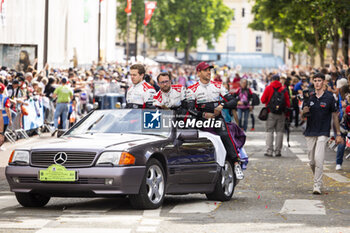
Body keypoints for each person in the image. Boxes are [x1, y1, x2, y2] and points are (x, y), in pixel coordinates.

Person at [186, 61, 244, 180]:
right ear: (199, 72)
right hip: (200, 118)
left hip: (217, 117)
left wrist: (221, 105)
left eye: (210, 70)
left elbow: (233, 101)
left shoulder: (218, 86)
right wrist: (203, 114)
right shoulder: (192, 89)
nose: (209, 72)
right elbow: (190, 109)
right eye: (206, 70)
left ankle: (236, 163)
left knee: (225, 134)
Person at [302, 73, 343, 195]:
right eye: (315, 80)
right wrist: (304, 112)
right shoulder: (309, 97)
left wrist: (338, 134)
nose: (317, 83)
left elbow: (335, 116)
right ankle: (318, 177)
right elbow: (302, 115)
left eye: (319, 80)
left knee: (319, 159)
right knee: (312, 162)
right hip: (310, 131)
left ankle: (317, 185)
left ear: (324, 82)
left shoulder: (330, 98)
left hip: (323, 132)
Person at [261, 74, 290, 157]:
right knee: (280, 132)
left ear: (272, 80)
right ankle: (278, 151)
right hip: (281, 114)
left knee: (269, 131)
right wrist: (287, 114)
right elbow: (288, 103)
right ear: (279, 80)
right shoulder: (283, 89)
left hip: (270, 113)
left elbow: (263, 100)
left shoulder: (268, 88)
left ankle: (269, 151)